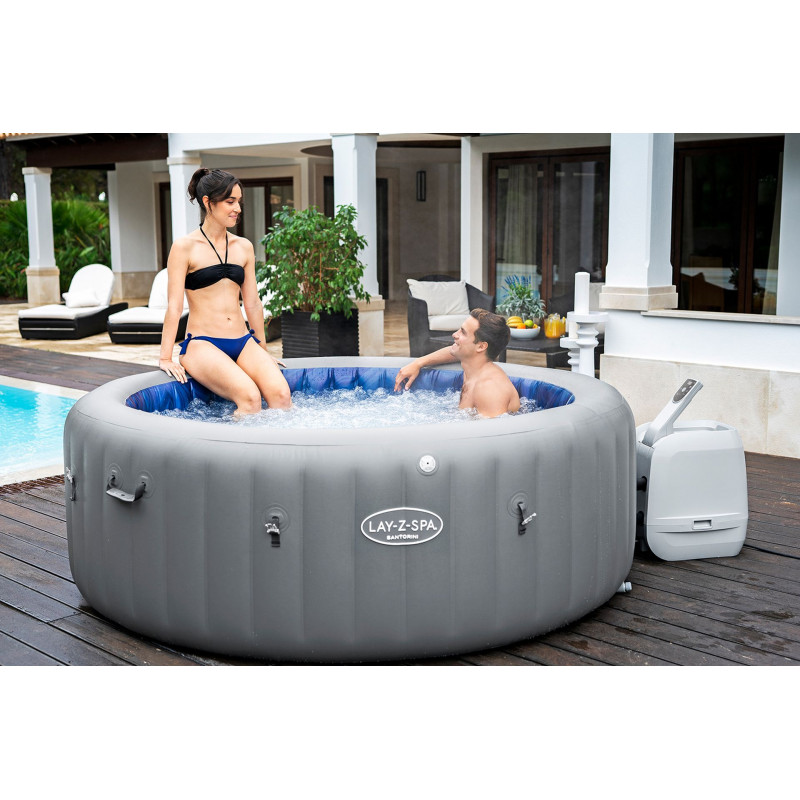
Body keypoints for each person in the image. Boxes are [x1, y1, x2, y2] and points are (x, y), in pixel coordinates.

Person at [158, 168, 291, 415]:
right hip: (203, 344)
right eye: (230, 202)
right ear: (208, 202)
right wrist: (166, 357)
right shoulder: (184, 247)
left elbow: (252, 303)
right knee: (250, 399)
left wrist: (262, 352)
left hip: (243, 341)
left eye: (239, 201)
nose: (237, 208)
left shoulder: (243, 246)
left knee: (282, 396)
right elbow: (174, 307)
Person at [394, 308, 520, 417]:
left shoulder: (489, 390)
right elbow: (453, 351)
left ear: (481, 346)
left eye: (463, 332)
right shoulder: (474, 365)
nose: (454, 335)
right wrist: (418, 363)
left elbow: (491, 435)